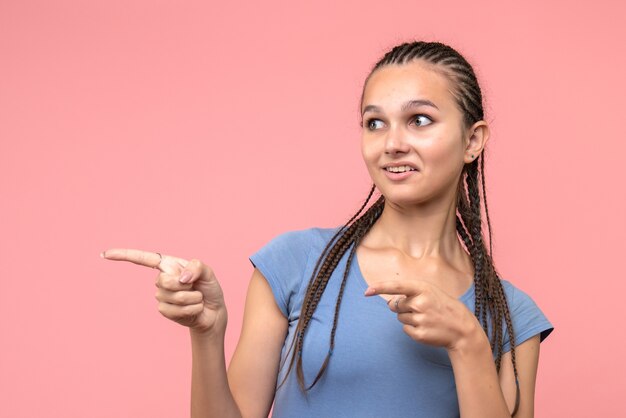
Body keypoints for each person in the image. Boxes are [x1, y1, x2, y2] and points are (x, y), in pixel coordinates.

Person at [101, 40, 554, 418]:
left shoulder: (512, 317)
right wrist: (206, 335)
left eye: (419, 120)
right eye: (374, 123)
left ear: (472, 140)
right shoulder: (297, 263)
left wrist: (467, 341)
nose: (393, 144)